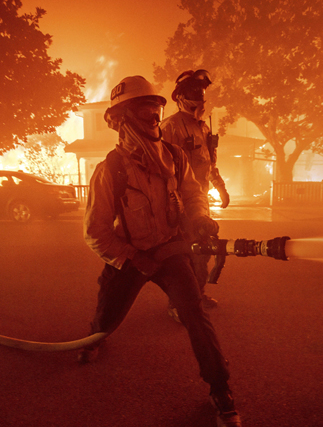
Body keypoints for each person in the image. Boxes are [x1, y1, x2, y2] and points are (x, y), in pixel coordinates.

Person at [80, 76, 241, 427]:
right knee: (106, 318)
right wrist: (135, 258)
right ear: (121, 118)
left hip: (169, 253)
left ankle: (221, 390)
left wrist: (200, 219)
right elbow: (95, 233)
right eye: (144, 110)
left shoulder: (174, 156)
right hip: (130, 256)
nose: (154, 117)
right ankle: (93, 338)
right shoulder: (111, 169)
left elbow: (194, 193)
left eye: (156, 110)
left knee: (195, 315)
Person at [161, 69, 229, 319]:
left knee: (204, 250)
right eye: (193, 92)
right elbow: (162, 170)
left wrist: (220, 187)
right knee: (183, 256)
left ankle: (197, 294)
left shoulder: (202, 128)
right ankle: (177, 304)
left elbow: (209, 162)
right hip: (180, 204)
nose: (199, 97)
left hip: (201, 202)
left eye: (201, 92)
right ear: (179, 96)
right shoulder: (170, 127)